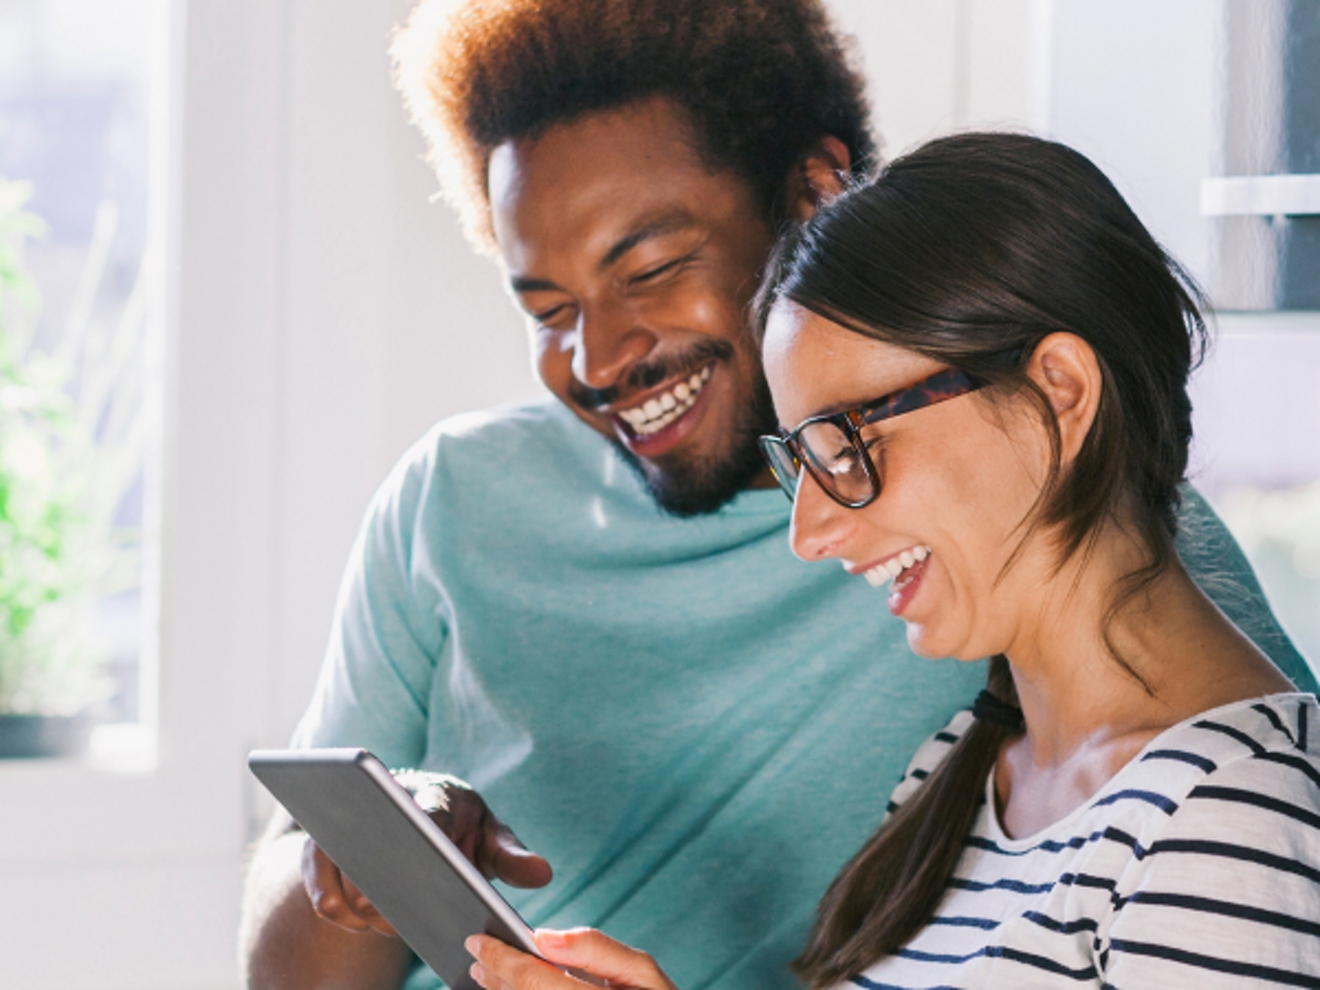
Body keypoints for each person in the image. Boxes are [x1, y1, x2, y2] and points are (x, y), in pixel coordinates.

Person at [237, 2, 1317, 988]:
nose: (600, 355)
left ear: (812, 197)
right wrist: (367, 855)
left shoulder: (1121, 624)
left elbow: (1255, 812)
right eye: (549, 307)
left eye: (651, 267)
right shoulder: (960, 771)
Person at [463, 133, 1320, 990]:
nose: (810, 533)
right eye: (803, 457)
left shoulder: (1230, 821)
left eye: (847, 445)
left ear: (1059, 390)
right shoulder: (962, 773)